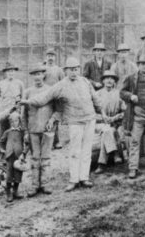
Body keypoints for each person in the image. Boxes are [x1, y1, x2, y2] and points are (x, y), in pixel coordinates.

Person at [21, 56, 101, 192]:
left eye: (76, 69)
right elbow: (44, 98)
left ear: (79, 70)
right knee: (75, 151)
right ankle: (74, 180)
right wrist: (28, 102)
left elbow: (95, 98)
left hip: (90, 119)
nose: (74, 72)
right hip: (74, 121)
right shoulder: (61, 85)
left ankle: (84, 178)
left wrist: (101, 112)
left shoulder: (85, 81)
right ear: (66, 71)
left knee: (87, 150)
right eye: (71, 70)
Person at [22, 65, 57, 197]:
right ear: (32, 76)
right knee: (35, 158)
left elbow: (58, 110)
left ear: (43, 75)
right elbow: (23, 114)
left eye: (39, 74)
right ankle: (35, 185)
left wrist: (52, 120)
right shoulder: (27, 92)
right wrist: (26, 131)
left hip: (47, 130)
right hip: (33, 130)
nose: (37, 77)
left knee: (46, 158)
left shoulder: (51, 90)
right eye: (34, 74)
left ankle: (45, 184)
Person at [94, 70, 126, 174]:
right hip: (99, 124)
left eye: (112, 78)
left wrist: (115, 118)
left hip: (114, 124)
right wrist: (103, 118)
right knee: (107, 130)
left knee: (108, 131)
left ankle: (101, 164)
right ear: (103, 81)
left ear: (114, 81)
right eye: (106, 78)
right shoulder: (97, 94)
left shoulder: (119, 94)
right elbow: (91, 113)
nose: (109, 80)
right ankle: (115, 153)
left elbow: (125, 112)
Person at [0, 108, 25, 202]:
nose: (14, 123)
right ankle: (8, 193)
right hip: (9, 156)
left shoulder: (21, 132)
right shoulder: (7, 132)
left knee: (18, 173)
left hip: (19, 156)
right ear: (9, 122)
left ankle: (15, 191)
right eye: (12, 121)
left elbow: (26, 143)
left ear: (19, 121)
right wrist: (2, 150)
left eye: (16, 121)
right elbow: (1, 142)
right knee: (9, 174)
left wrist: (24, 153)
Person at [0, 62, 24, 135]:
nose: (10, 73)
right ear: (5, 72)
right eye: (8, 71)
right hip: (3, 111)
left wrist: (22, 113)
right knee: (2, 132)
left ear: (15, 72)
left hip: (15, 112)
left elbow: (23, 99)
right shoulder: (1, 84)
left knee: (14, 132)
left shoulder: (19, 83)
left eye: (12, 71)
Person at [43, 48, 66, 150]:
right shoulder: (43, 69)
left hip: (56, 97)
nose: (50, 58)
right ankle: (47, 141)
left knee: (55, 119)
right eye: (49, 56)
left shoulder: (59, 70)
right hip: (46, 97)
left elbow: (63, 83)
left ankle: (56, 141)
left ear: (55, 58)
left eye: (52, 56)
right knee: (46, 117)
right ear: (46, 57)